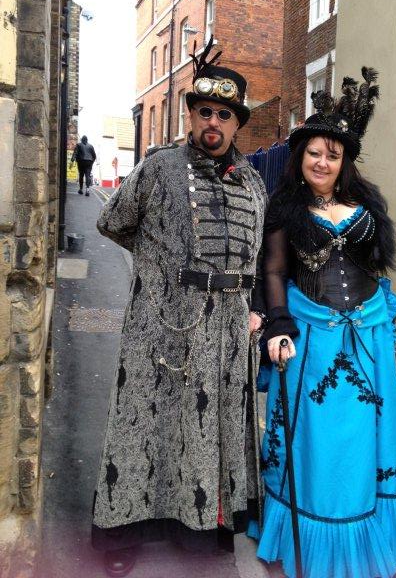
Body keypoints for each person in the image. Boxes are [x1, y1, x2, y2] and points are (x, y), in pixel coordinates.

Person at [91, 36, 267, 577]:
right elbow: (112, 222)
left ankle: (205, 528)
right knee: (145, 423)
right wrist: (162, 272)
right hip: (164, 325)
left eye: (224, 114)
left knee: (213, 427)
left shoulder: (256, 183)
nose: (213, 121)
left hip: (231, 329)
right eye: (205, 111)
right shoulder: (159, 167)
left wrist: (251, 307)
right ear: (191, 116)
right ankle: (123, 530)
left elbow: (255, 254)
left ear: (237, 124)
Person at [252, 69, 396, 577]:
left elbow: (375, 264)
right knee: (319, 442)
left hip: (369, 334)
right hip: (313, 337)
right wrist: (277, 324)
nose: (322, 161)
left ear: (343, 160)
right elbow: (274, 270)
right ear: (299, 155)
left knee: (368, 441)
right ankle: (315, 538)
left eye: (332, 153)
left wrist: (386, 321)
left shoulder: (368, 202)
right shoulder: (284, 207)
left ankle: (370, 537)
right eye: (314, 152)